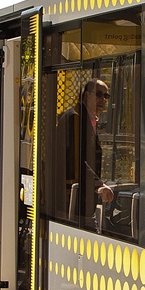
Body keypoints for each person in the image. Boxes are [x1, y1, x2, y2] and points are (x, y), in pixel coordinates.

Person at [56, 78, 115, 224]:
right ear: (87, 95)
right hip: (72, 201)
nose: (103, 99)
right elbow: (76, 159)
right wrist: (98, 185)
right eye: (99, 94)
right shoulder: (74, 118)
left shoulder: (87, 119)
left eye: (106, 96)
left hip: (81, 200)